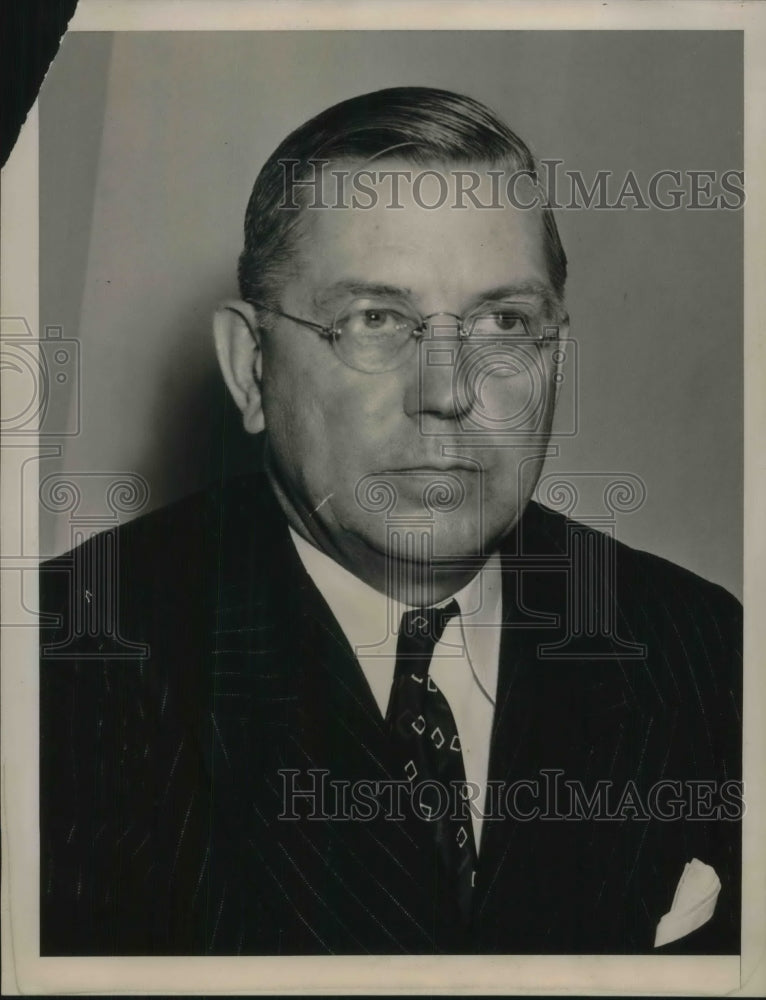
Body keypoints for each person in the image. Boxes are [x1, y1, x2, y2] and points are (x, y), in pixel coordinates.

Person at [39, 87, 741, 956]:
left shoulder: (706, 650)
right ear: (251, 368)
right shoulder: (62, 668)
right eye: (376, 321)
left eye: (504, 321)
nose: (448, 392)